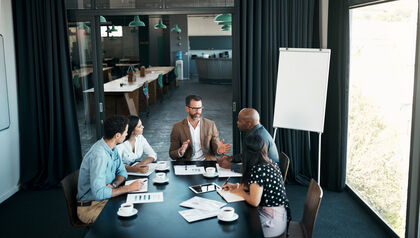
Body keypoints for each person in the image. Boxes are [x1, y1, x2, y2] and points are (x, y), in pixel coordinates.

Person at [76, 115, 143, 224]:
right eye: (126, 131)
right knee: (128, 220)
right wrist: (128, 188)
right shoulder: (99, 155)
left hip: (105, 199)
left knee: (135, 211)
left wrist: (115, 185)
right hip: (90, 207)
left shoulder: (112, 147)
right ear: (117, 135)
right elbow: (99, 193)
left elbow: (122, 172)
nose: (127, 134)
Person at [222, 134, 290, 237]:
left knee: (240, 230)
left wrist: (241, 193)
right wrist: (236, 186)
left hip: (272, 222)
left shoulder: (257, 169)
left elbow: (254, 202)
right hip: (278, 215)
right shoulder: (268, 162)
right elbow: (257, 187)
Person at [169, 95, 231, 161]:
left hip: (207, 162)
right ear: (187, 109)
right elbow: (172, 154)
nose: (198, 111)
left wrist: (218, 150)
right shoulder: (177, 127)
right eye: (194, 108)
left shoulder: (210, 125)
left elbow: (216, 146)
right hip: (187, 163)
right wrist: (180, 151)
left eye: (200, 108)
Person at [218, 108, 279, 172]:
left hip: (267, 173)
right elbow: (249, 155)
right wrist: (232, 158)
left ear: (249, 124)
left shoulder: (259, 137)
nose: (237, 123)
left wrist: (230, 166)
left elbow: (255, 167)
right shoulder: (255, 131)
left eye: (240, 121)